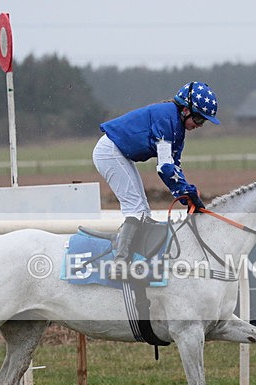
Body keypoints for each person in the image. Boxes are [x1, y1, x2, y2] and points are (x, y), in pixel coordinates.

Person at [92, 81, 220, 279]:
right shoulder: (167, 119)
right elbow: (165, 168)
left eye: (203, 122)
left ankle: (134, 257)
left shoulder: (177, 127)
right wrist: (187, 193)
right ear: (186, 110)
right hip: (109, 152)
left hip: (119, 153)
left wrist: (188, 194)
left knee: (143, 212)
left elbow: (175, 167)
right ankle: (119, 264)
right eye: (198, 119)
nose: (199, 125)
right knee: (136, 209)